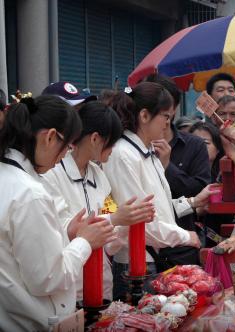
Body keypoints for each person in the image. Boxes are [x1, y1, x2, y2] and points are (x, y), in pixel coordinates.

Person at [0, 95, 115, 330]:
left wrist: (68, 232)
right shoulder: (32, 190)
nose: (65, 154)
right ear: (50, 137)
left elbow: (26, 247)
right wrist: (85, 241)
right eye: (67, 145)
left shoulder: (10, 178)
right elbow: (47, 278)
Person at [41, 101, 155, 302]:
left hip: (102, 285)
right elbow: (62, 228)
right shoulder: (53, 174)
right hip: (68, 287)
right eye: (111, 143)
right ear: (94, 139)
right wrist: (116, 219)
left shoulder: (99, 177)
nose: (113, 150)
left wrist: (130, 220)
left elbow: (110, 239)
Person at [105, 82, 209, 299]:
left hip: (155, 257)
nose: (167, 124)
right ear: (144, 116)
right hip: (137, 264)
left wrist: (190, 202)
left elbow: (158, 207)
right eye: (165, 116)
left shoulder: (148, 151)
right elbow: (140, 220)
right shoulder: (123, 154)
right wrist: (185, 236)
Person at [143, 74, 210, 266]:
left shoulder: (194, 145)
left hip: (182, 247)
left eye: (164, 108)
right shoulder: (130, 151)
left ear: (172, 109)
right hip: (143, 250)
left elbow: (200, 193)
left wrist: (166, 167)